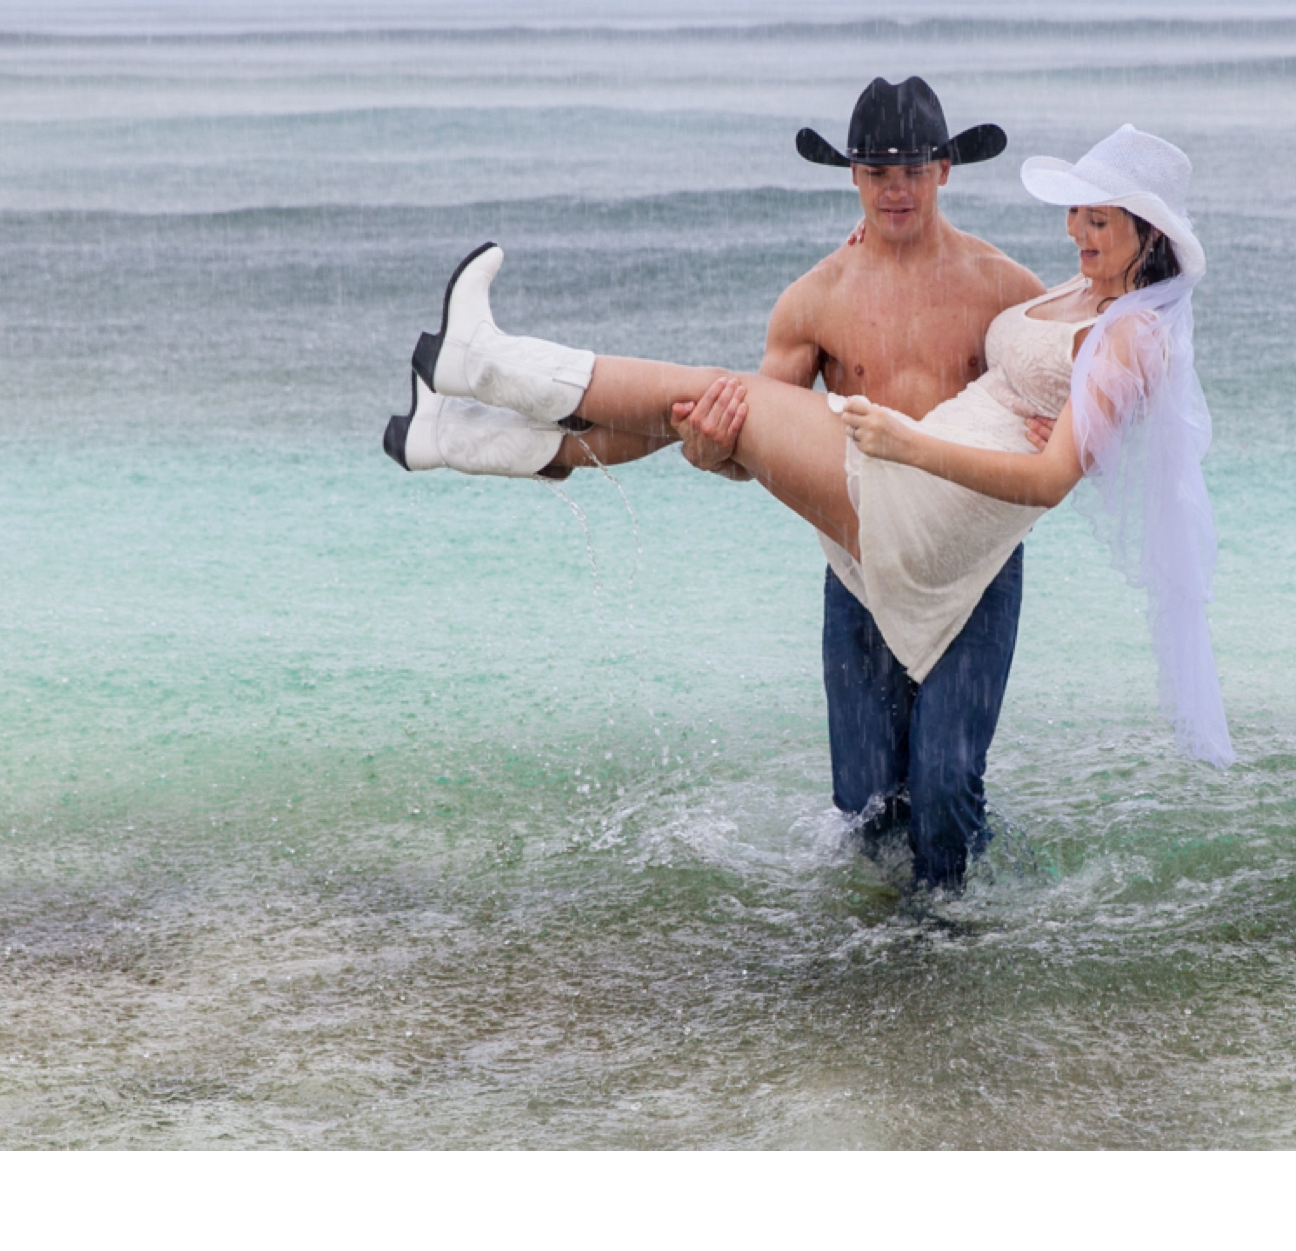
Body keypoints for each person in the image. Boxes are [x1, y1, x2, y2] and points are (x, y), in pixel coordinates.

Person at [384, 109, 1232, 884]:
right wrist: (714, 452)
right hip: (865, 534)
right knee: (864, 800)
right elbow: (741, 447)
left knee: (943, 791)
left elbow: (1083, 446)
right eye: (874, 171)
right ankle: (463, 435)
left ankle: (480, 366)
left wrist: (922, 442)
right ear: (853, 180)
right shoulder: (844, 294)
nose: (893, 187)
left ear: (944, 171)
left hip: (945, 531)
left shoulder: (1015, 287)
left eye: (910, 169)